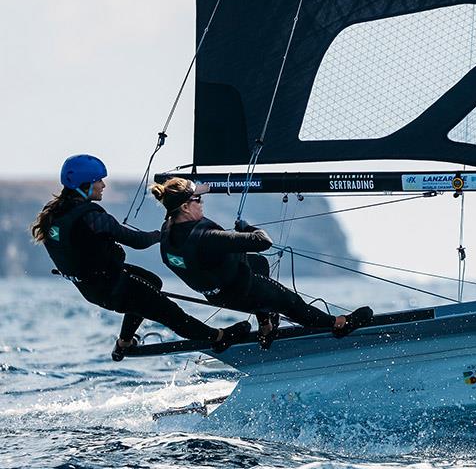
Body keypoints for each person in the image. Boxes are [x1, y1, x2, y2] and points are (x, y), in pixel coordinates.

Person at [31, 154, 251, 361]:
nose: (103, 185)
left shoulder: (55, 213)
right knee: (170, 313)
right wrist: (162, 235)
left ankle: (124, 342)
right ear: (85, 184)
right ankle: (219, 337)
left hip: (95, 288)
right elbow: (137, 241)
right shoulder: (92, 217)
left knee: (153, 282)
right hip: (114, 286)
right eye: (99, 180)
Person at [150, 177, 373, 348]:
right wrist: (247, 228)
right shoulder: (207, 238)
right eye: (198, 200)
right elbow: (262, 242)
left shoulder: (169, 230)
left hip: (219, 294)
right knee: (291, 303)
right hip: (243, 289)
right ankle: (339, 324)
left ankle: (266, 327)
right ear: (186, 207)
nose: (202, 203)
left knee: (258, 264)